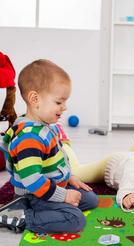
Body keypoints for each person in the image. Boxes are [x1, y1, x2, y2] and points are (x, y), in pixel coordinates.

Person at [0, 59, 98, 233]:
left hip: (52, 185)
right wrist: (65, 195)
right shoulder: (28, 137)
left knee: (90, 199)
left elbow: (55, 160)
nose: (64, 107)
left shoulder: (42, 126)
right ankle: (21, 216)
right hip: (35, 195)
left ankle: (58, 204)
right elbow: (32, 180)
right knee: (75, 219)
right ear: (35, 99)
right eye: (59, 102)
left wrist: (69, 178)